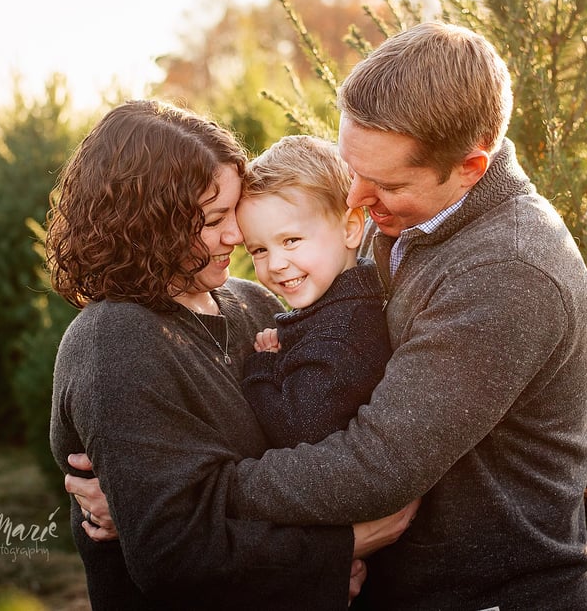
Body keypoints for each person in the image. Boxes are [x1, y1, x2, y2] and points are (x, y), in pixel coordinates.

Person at [72, 22, 587, 609]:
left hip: (487, 594)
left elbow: (377, 464)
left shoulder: (509, 270)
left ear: (470, 168)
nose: (357, 200)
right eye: (354, 171)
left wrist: (185, 504)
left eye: (385, 183)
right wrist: (152, 493)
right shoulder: (393, 219)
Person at [47, 99, 416, 610]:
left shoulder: (255, 303)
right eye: (213, 219)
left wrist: (146, 504)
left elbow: (306, 440)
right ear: (146, 224)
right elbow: (174, 556)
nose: (236, 235)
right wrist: (341, 547)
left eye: (233, 212)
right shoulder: (114, 344)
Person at [236, 134, 392, 448]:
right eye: (259, 250)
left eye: (291, 240)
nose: (276, 264)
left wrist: (262, 367)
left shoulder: (341, 334)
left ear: (349, 230)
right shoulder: (336, 307)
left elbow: (296, 429)